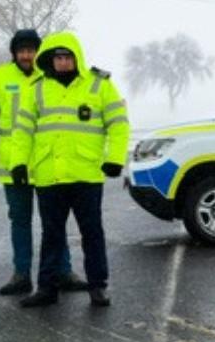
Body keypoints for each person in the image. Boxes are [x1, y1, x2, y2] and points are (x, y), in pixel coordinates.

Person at [10, 31, 129, 308]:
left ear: (77, 58)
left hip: (86, 174)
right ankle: (47, 289)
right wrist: (18, 162)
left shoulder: (100, 86)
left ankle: (98, 286)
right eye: (57, 57)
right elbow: (23, 130)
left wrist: (115, 158)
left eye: (67, 57)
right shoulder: (37, 89)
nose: (62, 62)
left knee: (92, 233)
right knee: (51, 234)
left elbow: (119, 124)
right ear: (49, 60)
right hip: (49, 175)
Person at [0, 28, 87, 296]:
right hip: (15, 166)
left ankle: (63, 271)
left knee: (54, 222)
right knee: (20, 220)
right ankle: (21, 274)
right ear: (14, 53)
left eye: (31, 50)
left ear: (38, 52)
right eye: (21, 50)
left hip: (48, 164)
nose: (26, 55)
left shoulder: (51, 76)